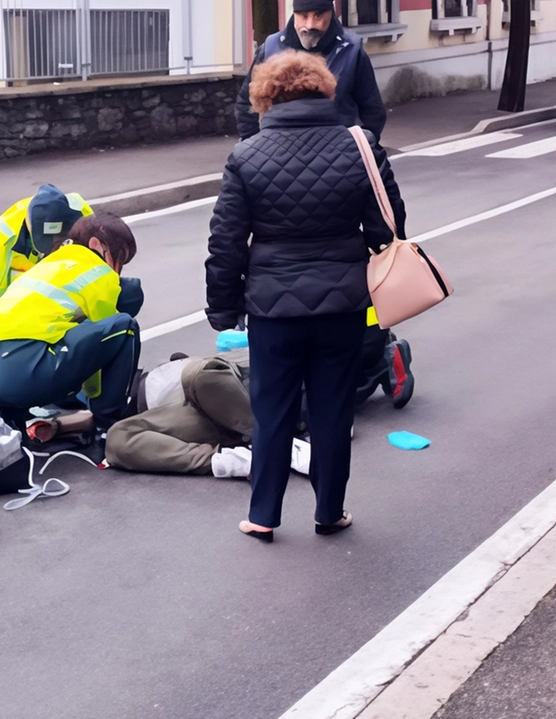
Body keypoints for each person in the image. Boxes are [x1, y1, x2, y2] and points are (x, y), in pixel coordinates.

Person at [205, 51, 406, 542]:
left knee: (271, 409)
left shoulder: (247, 155)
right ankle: (329, 512)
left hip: (272, 309)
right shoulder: (360, 146)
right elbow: (389, 226)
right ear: (323, 90)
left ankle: (263, 515)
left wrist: (223, 306)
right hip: (343, 305)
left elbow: (225, 240)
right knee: (332, 409)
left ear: (265, 97)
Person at [0, 213, 143, 436]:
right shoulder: (99, 272)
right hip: (26, 378)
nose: (119, 269)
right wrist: (91, 401)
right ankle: (109, 426)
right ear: (97, 245)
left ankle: (13, 424)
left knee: (51, 341)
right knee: (124, 325)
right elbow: (103, 349)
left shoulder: (45, 265)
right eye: (120, 258)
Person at [234, 0, 387, 142]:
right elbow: (246, 105)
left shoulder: (351, 50)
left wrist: (358, 151)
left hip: (337, 158)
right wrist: (257, 149)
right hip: (281, 157)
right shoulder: (270, 48)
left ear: (331, 13)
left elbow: (372, 111)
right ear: (294, 14)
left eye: (318, 15)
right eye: (303, 15)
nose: (310, 24)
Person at [0, 185, 92, 331]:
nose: (55, 248)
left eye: (60, 240)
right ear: (31, 231)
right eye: (51, 242)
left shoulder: (81, 213)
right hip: (19, 311)